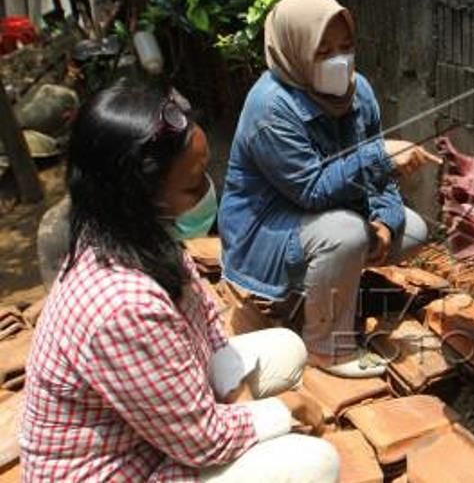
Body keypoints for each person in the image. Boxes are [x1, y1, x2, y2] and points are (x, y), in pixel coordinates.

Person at [20, 83, 338, 482]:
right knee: (316, 462)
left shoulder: (134, 234)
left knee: (286, 347)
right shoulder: (122, 305)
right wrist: (283, 411)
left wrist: (237, 399)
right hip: (115, 470)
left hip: (143, 433)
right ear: (138, 192)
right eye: (192, 185)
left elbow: (203, 313)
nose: (207, 192)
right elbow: (202, 442)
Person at [219, 0, 440, 378]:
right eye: (323, 51)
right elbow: (312, 189)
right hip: (267, 231)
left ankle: (331, 284)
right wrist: (379, 157)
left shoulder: (359, 91)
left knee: (413, 230)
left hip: (326, 216)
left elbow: (377, 174)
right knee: (345, 234)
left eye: (346, 46)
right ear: (295, 49)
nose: (339, 60)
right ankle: (327, 347)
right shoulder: (270, 108)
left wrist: (386, 221)